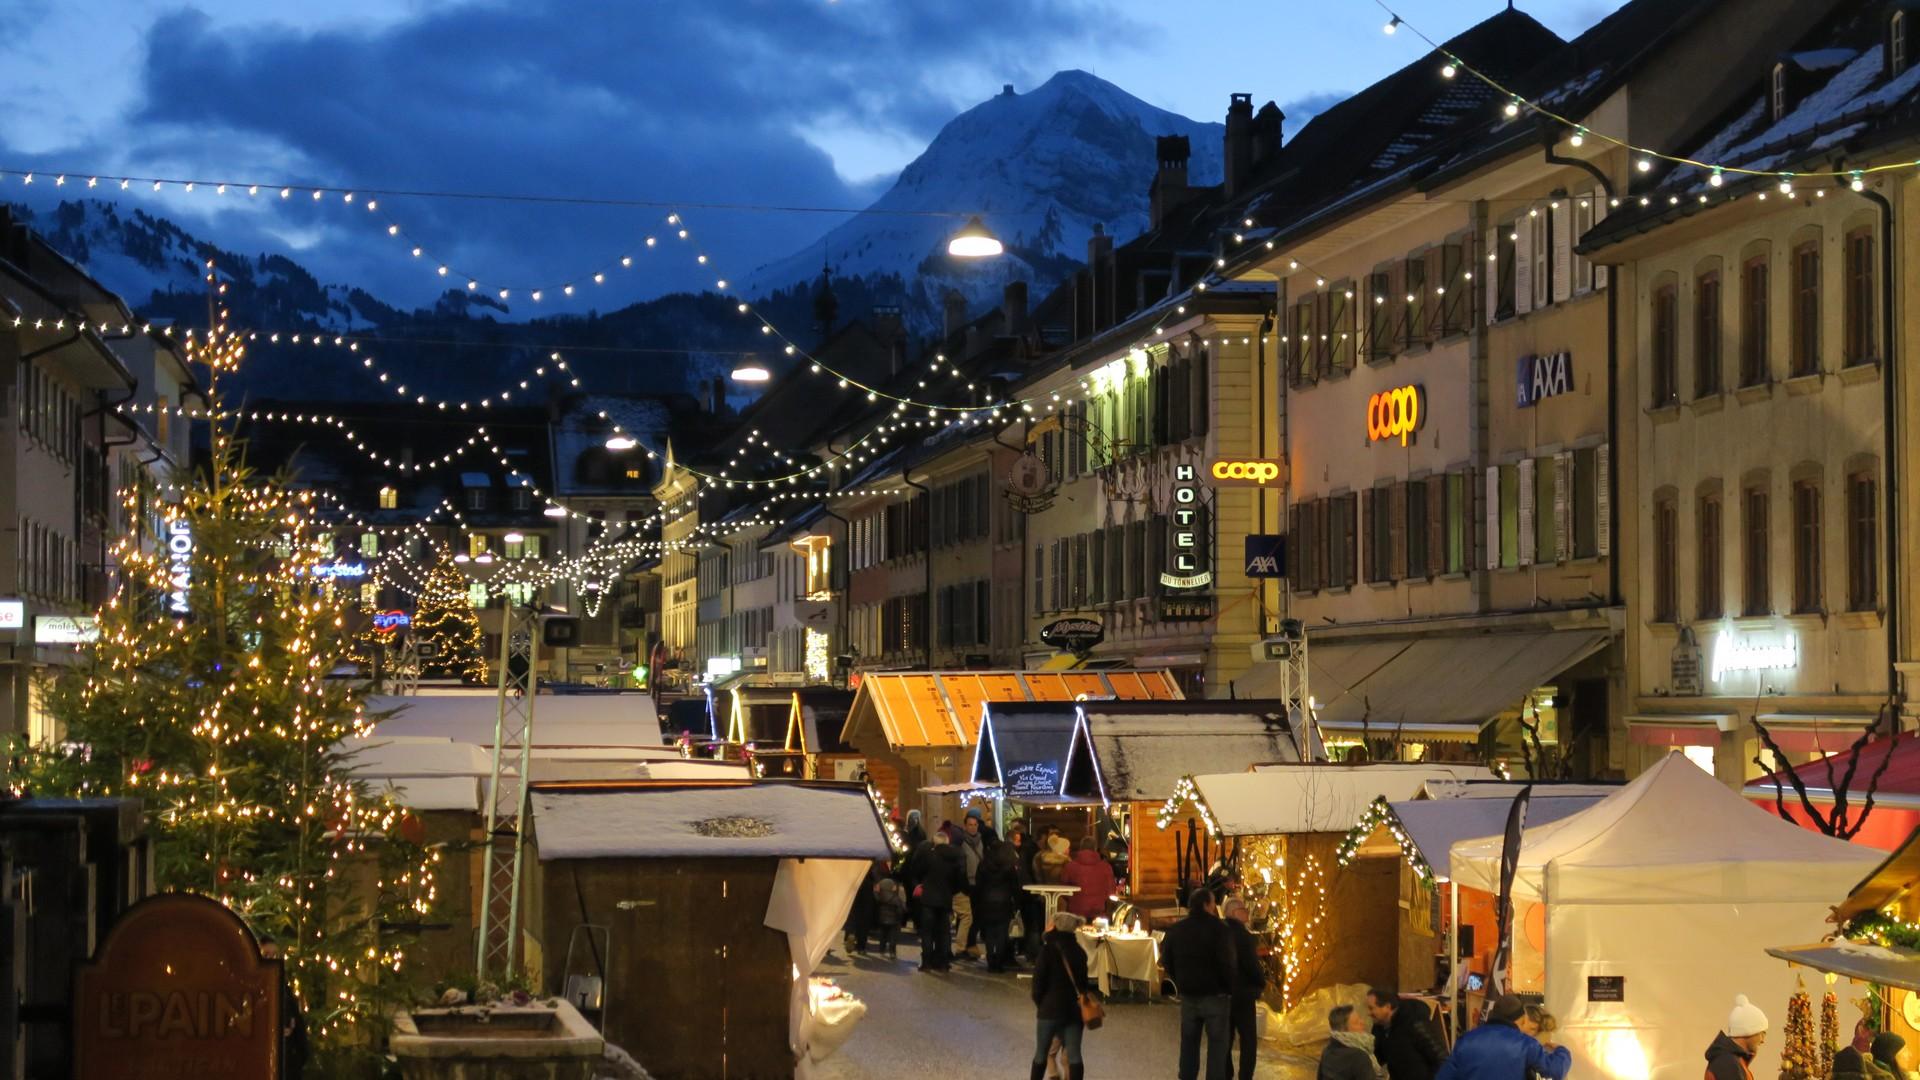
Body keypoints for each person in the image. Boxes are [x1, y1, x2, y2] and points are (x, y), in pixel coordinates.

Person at [1161, 887, 1238, 1080]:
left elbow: (1166, 959)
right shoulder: (1220, 930)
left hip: (1188, 995)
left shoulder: (1177, 929)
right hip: (1216, 995)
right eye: (1213, 904)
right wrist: (1229, 988)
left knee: (1188, 1043)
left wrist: (1180, 980)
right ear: (1206, 904)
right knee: (1217, 1045)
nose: (1214, 907)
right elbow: (1228, 962)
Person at [1435, 995, 1569, 1080]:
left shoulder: (1466, 1040)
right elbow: (1555, 1070)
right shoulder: (1526, 1044)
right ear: (1522, 1020)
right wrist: (1562, 1051)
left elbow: (1444, 1076)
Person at [1031, 911, 1093, 1080]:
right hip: (1073, 1011)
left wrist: (1042, 1005)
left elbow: (1037, 986)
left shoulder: (1046, 951)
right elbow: (1083, 985)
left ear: (1057, 926)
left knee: (1041, 1054)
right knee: (1074, 1056)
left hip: (1049, 1010)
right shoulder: (1080, 952)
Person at [1222, 899, 1266, 1080]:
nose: (1247, 913)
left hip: (1223, 994)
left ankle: (1227, 1074)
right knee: (1248, 1040)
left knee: (1225, 1038)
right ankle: (1245, 1076)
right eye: (1244, 909)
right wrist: (1260, 983)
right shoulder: (1244, 936)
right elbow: (1251, 965)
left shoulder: (1218, 933)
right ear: (1233, 913)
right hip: (1243, 994)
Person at [1367, 986, 1447, 1080]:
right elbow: (1377, 1058)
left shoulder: (1415, 1023)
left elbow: (1441, 1058)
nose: (1368, 1013)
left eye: (1371, 1008)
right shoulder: (1379, 1028)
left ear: (1387, 1007)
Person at [910, 832, 963, 972]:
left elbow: (917, 872)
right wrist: (951, 891)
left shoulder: (929, 857)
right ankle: (943, 962)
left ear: (935, 843)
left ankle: (927, 962)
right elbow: (959, 879)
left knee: (927, 932)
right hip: (945, 900)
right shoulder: (954, 858)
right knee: (944, 932)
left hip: (928, 899)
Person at [976, 840, 1022, 973]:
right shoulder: (1008, 865)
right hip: (1004, 902)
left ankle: (991, 962)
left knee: (990, 933)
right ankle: (999, 963)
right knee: (1002, 934)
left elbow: (979, 885)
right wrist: (1017, 903)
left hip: (987, 902)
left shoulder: (983, 864)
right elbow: (1014, 886)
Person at [1702, 994, 1768, 1080]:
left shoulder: (1732, 1061)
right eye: (1762, 1033)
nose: (1763, 1040)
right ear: (1748, 1031)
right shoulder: (1727, 1063)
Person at [1320, 1004, 1385, 1080]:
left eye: (1360, 1019)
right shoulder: (1359, 1056)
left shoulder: (1327, 1051)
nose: (1362, 1022)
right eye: (1356, 1022)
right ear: (1343, 1030)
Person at [954, 812, 987, 961]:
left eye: (975, 825)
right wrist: (963, 884)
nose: (973, 828)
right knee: (966, 917)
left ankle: (971, 944)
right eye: (970, 825)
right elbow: (960, 866)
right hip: (966, 884)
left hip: (979, 884)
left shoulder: (982, 841)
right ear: (965, 826)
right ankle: (964, 946)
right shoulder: (961, 843)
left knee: (976, 917)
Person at [1060, 836, 1116, 921]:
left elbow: (1063, 889)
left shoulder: (1070, 866)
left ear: (1081, 848)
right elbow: (1111, 890)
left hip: (1075, 911)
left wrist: (1072, 901)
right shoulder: (1106, 867)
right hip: (1098, 912)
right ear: (1095, 848)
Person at [872, 871, 908, 959]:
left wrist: (876, 891)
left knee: (883, 935)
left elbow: (875, 899)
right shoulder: (895, 898)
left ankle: (882, 949)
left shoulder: (880, 897)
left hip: (882, 919)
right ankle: (892, 952)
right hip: (894, 920)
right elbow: (902, 908)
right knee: (893, 937)